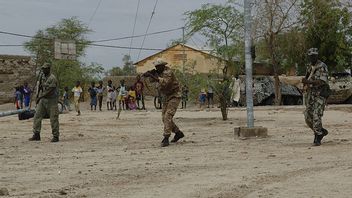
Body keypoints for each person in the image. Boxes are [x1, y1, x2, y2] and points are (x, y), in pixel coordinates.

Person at [143, 58, 184, 147]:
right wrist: (149, 74)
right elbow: (152, 81)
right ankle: (178, 132)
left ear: (163, 66)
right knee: (164, 118)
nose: (156, 68)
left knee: (167, 116)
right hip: (166, 96)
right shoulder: (159, 73)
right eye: (156, 67)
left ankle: (166, 137)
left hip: (174, 95)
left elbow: (165, 83)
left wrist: (153, 75)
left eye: (158, 66)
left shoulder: (168, 72)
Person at [302, 48, 329, 146]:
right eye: (311, 56)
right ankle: (321, 131)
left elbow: (322, 81)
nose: (313, 57)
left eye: (314, 55)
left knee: (316, 116)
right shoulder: (309, 66)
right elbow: (307, 77)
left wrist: (309, 82)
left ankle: (317, 136)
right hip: (310, 95)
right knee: (307, 116)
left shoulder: (322, 66)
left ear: (317, 56)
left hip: (320, 94)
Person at [29, 63, 60, 142]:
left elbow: (50, 90)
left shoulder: (52, 78)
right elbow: (40, 87)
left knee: (53, 118)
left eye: (45, 69)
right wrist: (38, 95)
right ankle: (36, 134)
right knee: (37, 116)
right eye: (43, 68)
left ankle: (56, 136)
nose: (43, 70)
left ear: (49, 69)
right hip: (43, 100)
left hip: (52, 100)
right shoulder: (42, 77)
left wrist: (40, 97)